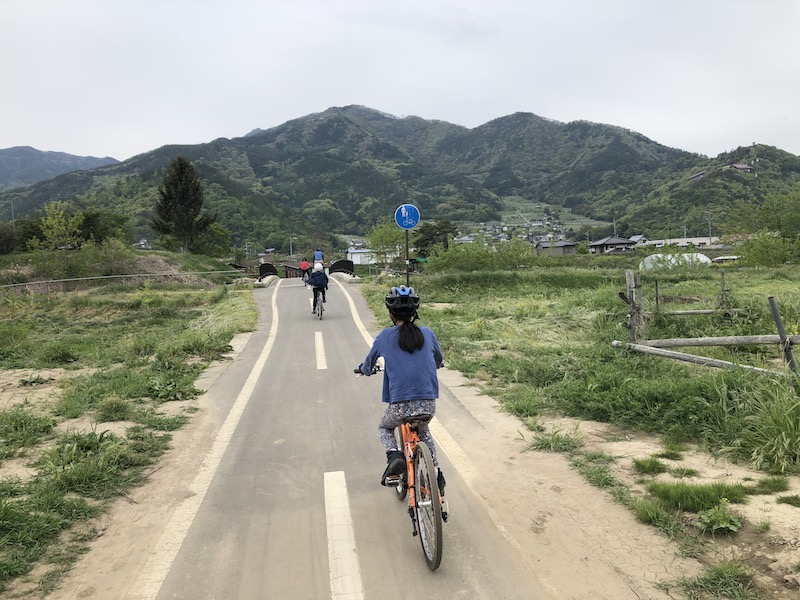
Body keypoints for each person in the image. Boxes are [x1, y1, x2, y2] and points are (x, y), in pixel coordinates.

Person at [356, 286, 446, 494]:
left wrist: (364, 370)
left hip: (400, 407)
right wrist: (436, 365)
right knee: (423, 432)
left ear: (390, 312)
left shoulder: (385, 336)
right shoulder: (427, 333)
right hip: (428, 404)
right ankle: (437, 475)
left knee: (385, 428)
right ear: (415, 312)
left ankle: (395, 456)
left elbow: (368, 364)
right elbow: (438, 359)